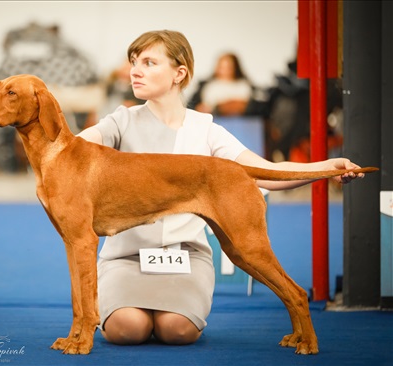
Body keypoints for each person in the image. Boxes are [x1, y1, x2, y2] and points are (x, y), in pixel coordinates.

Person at [78, 30, 365, 346]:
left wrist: (327, 168)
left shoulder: (206, 130)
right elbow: (71, 151)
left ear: (179, 73)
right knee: (127, 329)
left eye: (148, 62)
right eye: (133, 62)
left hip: (184, 257)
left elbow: (267, 172)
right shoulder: (119, 122)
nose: (135, 70)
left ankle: (295, 318)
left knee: (176, 330)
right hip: (127, 258)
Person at [188, 52, 253, 116]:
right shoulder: (207, 86)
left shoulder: (242, 86)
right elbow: (193, 106)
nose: (223, 71)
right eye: (221, 67)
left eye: (227, 67)